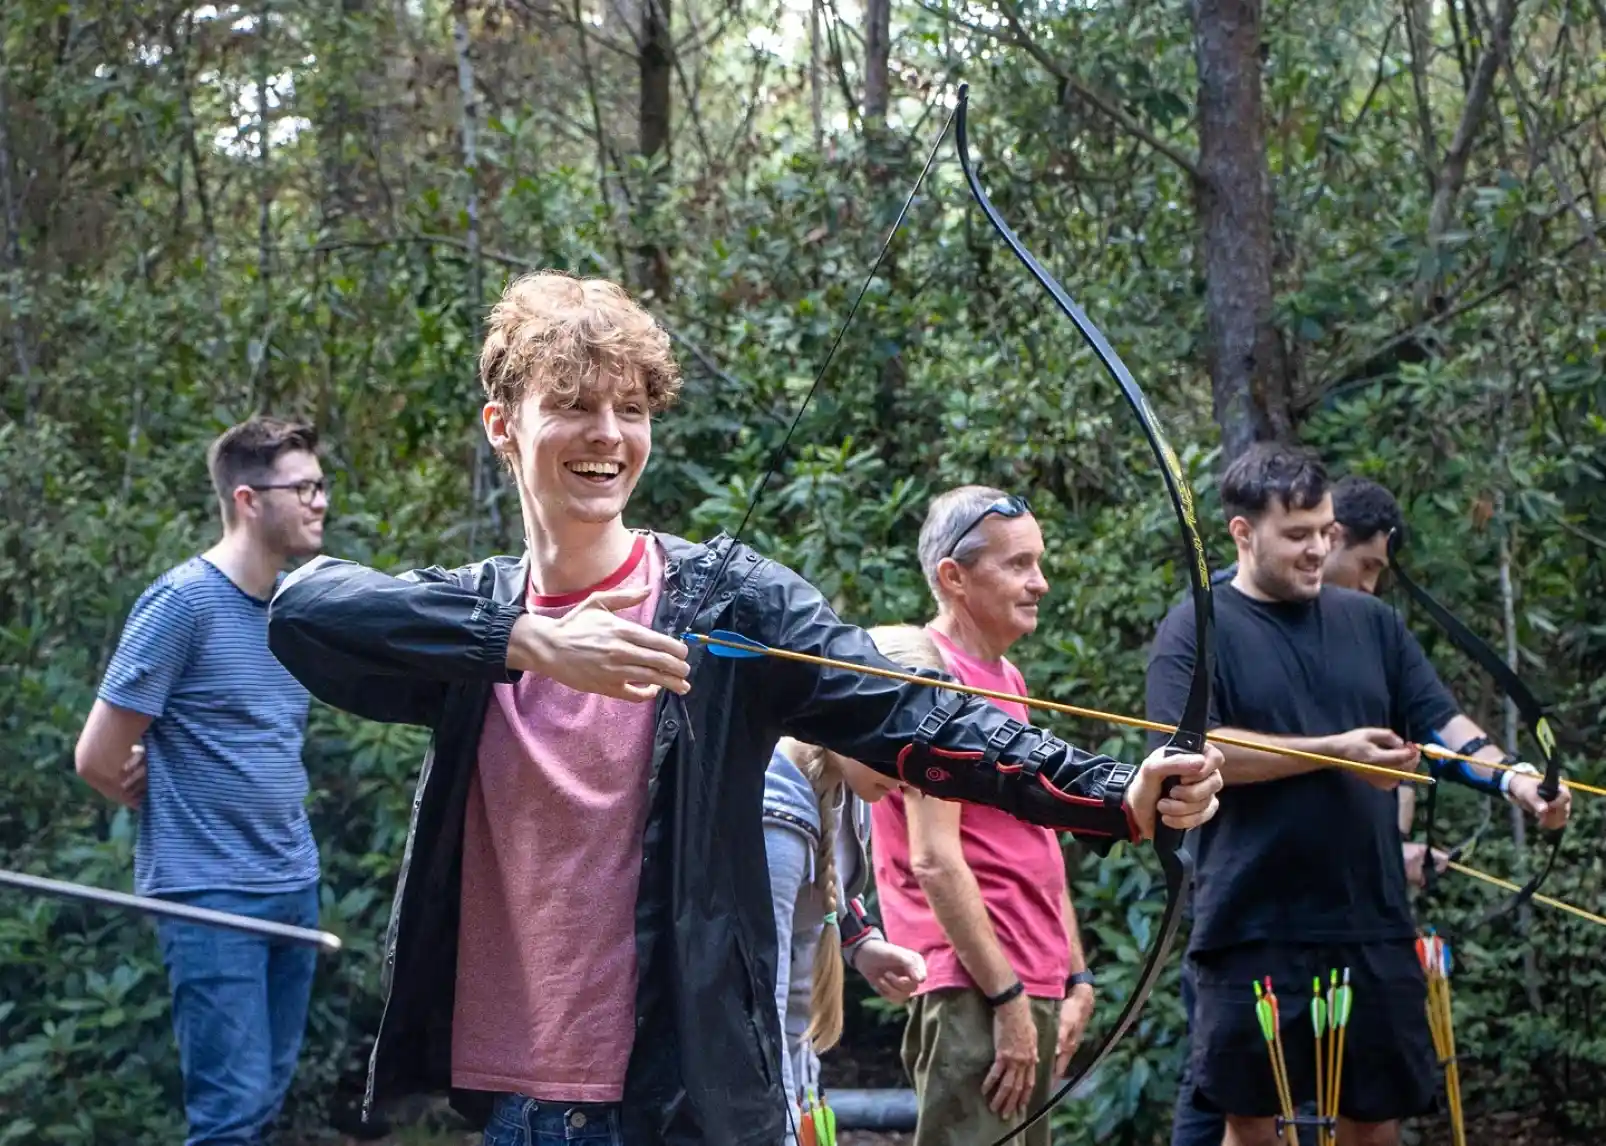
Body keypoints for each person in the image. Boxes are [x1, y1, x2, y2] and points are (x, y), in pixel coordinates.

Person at [265, 270, 1224, 1146]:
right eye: (572, 406)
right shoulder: (469, 616)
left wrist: (1113, 792)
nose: (608, 433)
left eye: (631, 409)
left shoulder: (728, 600)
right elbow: (306, 609)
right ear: (501, 425)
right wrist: (530, 641)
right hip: (516, 1102)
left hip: (685, 1099)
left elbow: (912, 715)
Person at [1147, 443, 1569, 1146]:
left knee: (1375, 1120)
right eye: (1297, 535)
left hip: (1368, 917)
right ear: (1243, 533)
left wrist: (1512, 777)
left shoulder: (1370, 623)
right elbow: (1191, 753)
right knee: (1251, 1124)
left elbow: (1440, 722)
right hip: (1251, 921)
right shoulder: (1197, 626)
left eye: (1326, 531)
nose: (1318, 550)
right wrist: (1335, 753)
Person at [73, 415, 331, 1146]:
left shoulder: (295, 606)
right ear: (248, 499)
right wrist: (171, 791)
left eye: (322, 485)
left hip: (292, 881)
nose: (320, 501)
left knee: (267, 1101)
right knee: (231, 1116)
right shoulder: (182, 603)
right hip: (210, 892)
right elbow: (97, 755)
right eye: (303, 487)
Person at [868, 485, 1100, 1146]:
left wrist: (1074, 974)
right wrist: (1006, 1000)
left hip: (1029, 980)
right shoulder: (930, 678)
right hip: (976, 988)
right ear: (954, 577)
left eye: (1039, 561)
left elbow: (1037, 838)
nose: (1041, 583)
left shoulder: (1007, 678)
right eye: (1018, 565)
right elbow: (935, 859)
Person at [764, 624, 938, 1144]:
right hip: (767, 1087)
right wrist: (781, 1128)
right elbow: (760, 991)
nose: (909, 771)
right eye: (898, 737)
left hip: (799, 1075)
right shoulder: (776, 805)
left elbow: (823, 891)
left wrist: (862, 943)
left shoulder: (849, 783)